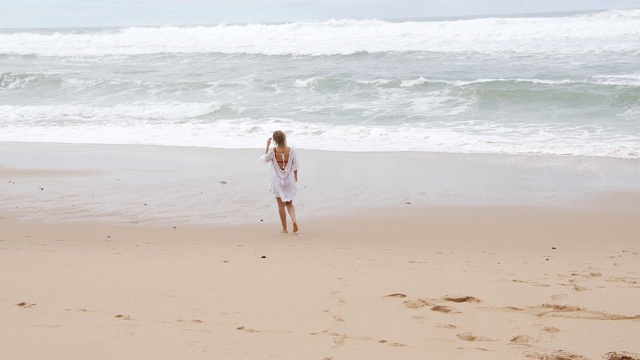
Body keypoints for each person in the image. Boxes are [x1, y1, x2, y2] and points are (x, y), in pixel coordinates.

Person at [260, 130, 299, 233]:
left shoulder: (273, 151)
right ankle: (294, 220)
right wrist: (296, 176)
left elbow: (265, 159)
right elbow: (295, 165)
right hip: (288, 179)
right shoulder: (291, 151)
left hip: (276, 179)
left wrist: (267, 146)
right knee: (289, 204)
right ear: (284, 138)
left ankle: (285, 228)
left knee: (281, 206)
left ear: (275, 140)